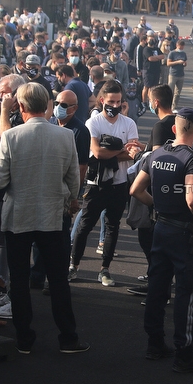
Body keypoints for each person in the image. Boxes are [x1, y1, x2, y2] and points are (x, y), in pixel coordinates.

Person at [0, 82, 87, 354]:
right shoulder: (64, 136)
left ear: (21, 107)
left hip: (18, 216)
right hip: (53, 216)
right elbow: (74, 179)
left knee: (19, 280)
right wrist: (69, 199)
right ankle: (68, 338)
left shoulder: (11, 137)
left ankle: (24, 339)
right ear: (47, 106)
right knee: (57, 280)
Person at [130, 108, 193, 373]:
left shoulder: (156, 154)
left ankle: (155, 344)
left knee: (158, 289)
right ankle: (185, 353)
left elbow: (136, 190)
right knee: (187, 292)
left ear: (174, 129)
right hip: (184, 234)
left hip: (161, 228)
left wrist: (159, 206)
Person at [70, 81, 143, 287]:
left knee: (112, 227)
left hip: (119, 184)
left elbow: (132, 154)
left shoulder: (128, 124)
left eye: (119, 101)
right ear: (102, 100)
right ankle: (73, 265)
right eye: (111, 101)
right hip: (96, 184)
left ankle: (105, 269)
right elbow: (97, 152)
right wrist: (119, 152)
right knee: (85, 226)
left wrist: (111, 153)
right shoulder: (93, 123)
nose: (115, 105)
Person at [166, 40, 188, 111]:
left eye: (182, 46)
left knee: (177, 92)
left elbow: (185, 62)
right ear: (177, 45)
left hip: (181, 74)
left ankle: (174, 106)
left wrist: (184, 64)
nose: (181, 48)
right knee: (170, 91)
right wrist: (177, 62)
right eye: (180, 46)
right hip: (173, 74)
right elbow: (168, 63)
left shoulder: (183, 54)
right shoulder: (172, 53)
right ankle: (167, 105)